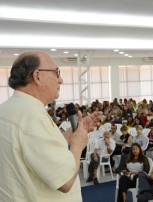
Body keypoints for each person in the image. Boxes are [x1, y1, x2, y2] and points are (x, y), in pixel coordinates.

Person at [0, 52, 101, 202]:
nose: (61, 79)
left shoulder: (7, 109)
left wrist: (68, 136)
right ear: (37, 76)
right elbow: (65, 181)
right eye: (56, 73)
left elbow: (32, 148)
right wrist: (77, 144)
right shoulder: (33, 117)